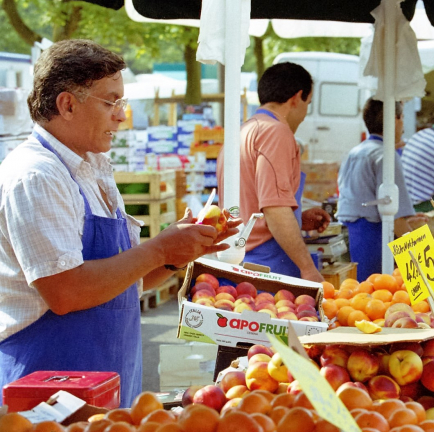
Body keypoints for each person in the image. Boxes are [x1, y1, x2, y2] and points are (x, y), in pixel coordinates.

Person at [0, 40, 241, 407]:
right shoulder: (37, 176)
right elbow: (66, 292)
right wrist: (159, 247)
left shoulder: (93, 169)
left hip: (105, 382)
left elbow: (125, 283)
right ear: (67, 104)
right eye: (111, 101)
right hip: (47, 385)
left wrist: (179, 255)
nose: (121, 115)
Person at [216, 62, 330, 282]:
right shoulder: (276, 132)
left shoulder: (243, 131)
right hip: (268, 266)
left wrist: (297, 218)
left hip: (238, 260)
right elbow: (275, 209)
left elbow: (251, 205)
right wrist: (307, 268)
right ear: (296, 98)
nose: (306, 113)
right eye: (308, 103)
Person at [336, 99, 427, 281]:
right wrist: (425, 261)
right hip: (372, 236)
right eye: (401, 118)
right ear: (394, 119)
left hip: (348, 233)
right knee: (375, 293)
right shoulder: (386, 156)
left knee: (358, 295)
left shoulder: (355, 152)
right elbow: (397, 219)